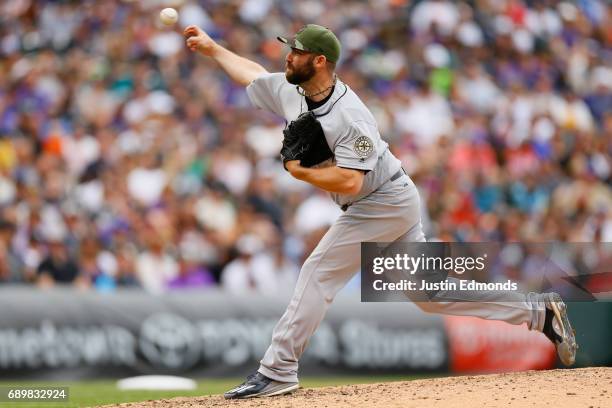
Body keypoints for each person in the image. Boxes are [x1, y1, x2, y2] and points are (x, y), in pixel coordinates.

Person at [183, 23, 577, 399]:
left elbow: (352, 182)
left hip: (382, 199)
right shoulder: (295, 90)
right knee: (428, 292)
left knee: (318, 272)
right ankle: (537, 311)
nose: (288, 55)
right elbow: (253, 76)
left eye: (297, 50)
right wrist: (213, 48)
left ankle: (277, 371)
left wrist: (302, 172)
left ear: (319, 60)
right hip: (384, 200)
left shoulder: (349, 115)